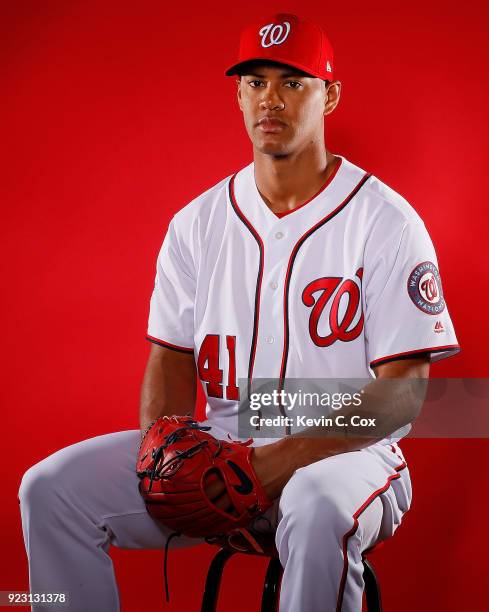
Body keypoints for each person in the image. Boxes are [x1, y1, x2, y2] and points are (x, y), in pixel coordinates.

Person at [19, 12, 459, 612]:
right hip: (222, 455)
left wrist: (270, 463)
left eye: (291, 81)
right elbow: (170, 358)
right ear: (237, 93)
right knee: (50, 490)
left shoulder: (385, 221)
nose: (269, 99)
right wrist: (163, 451)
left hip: (346, 458)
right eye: (254, 82)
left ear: (329, 95)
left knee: (317, 506)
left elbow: (404, 394)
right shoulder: (196, 222)